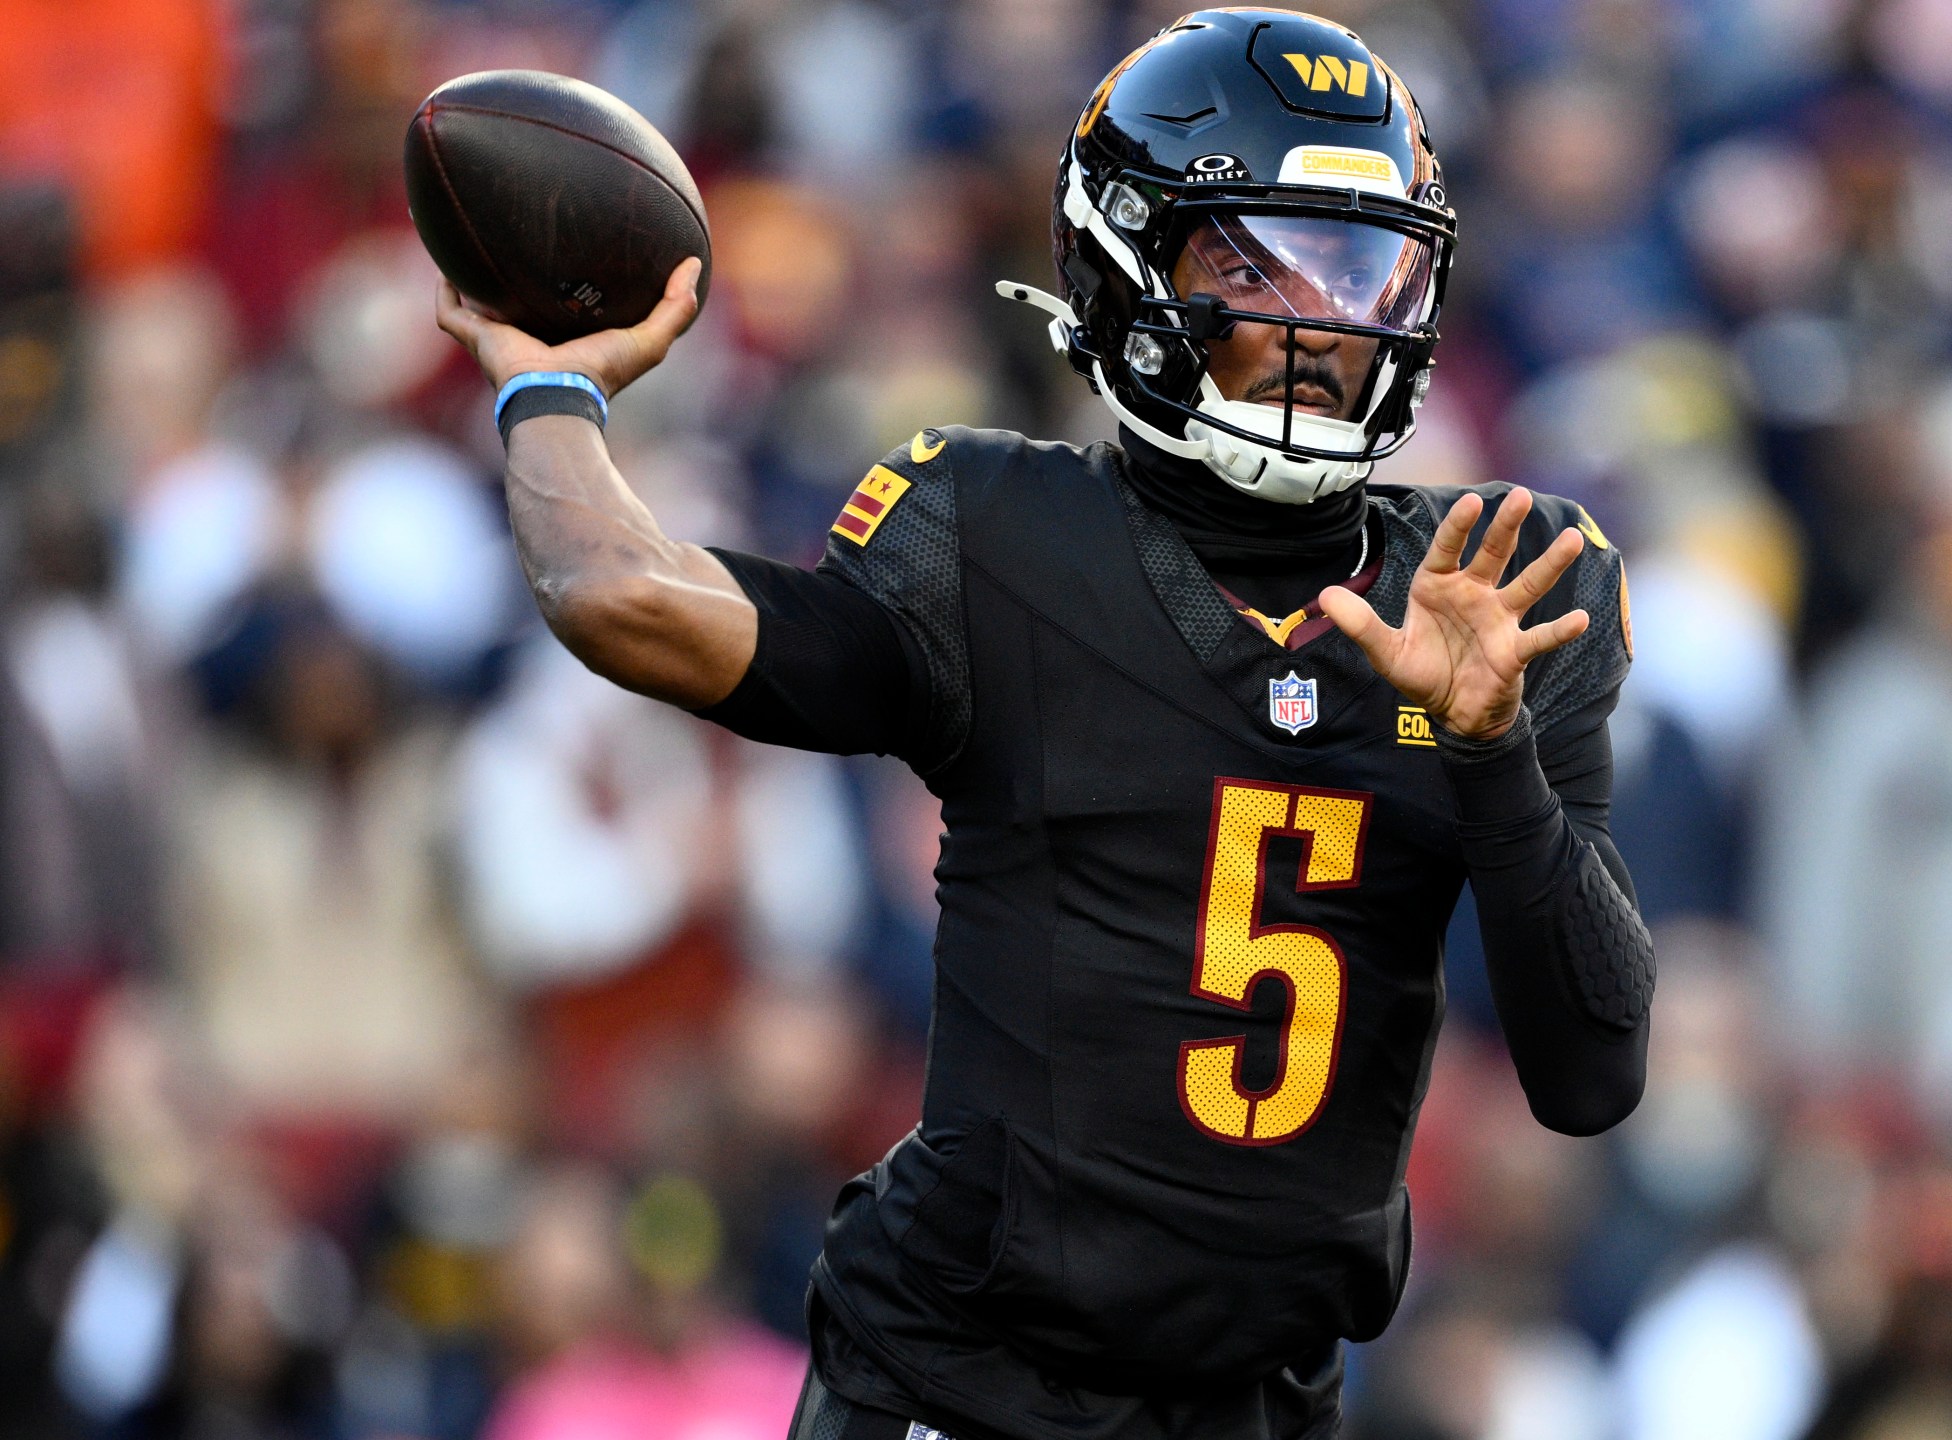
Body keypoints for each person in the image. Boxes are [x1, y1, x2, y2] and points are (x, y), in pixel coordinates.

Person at [432, 11, 1654, 1438]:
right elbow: (623, 597)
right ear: (1128, 271)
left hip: (1257, 1401)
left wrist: (1489, 747)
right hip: (964, 1381)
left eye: (1362, 264)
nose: (1322, 326)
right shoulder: (998, 535)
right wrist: (550, 386)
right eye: (1257, 263)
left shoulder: (1499, 588)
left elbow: (1592, 1074)